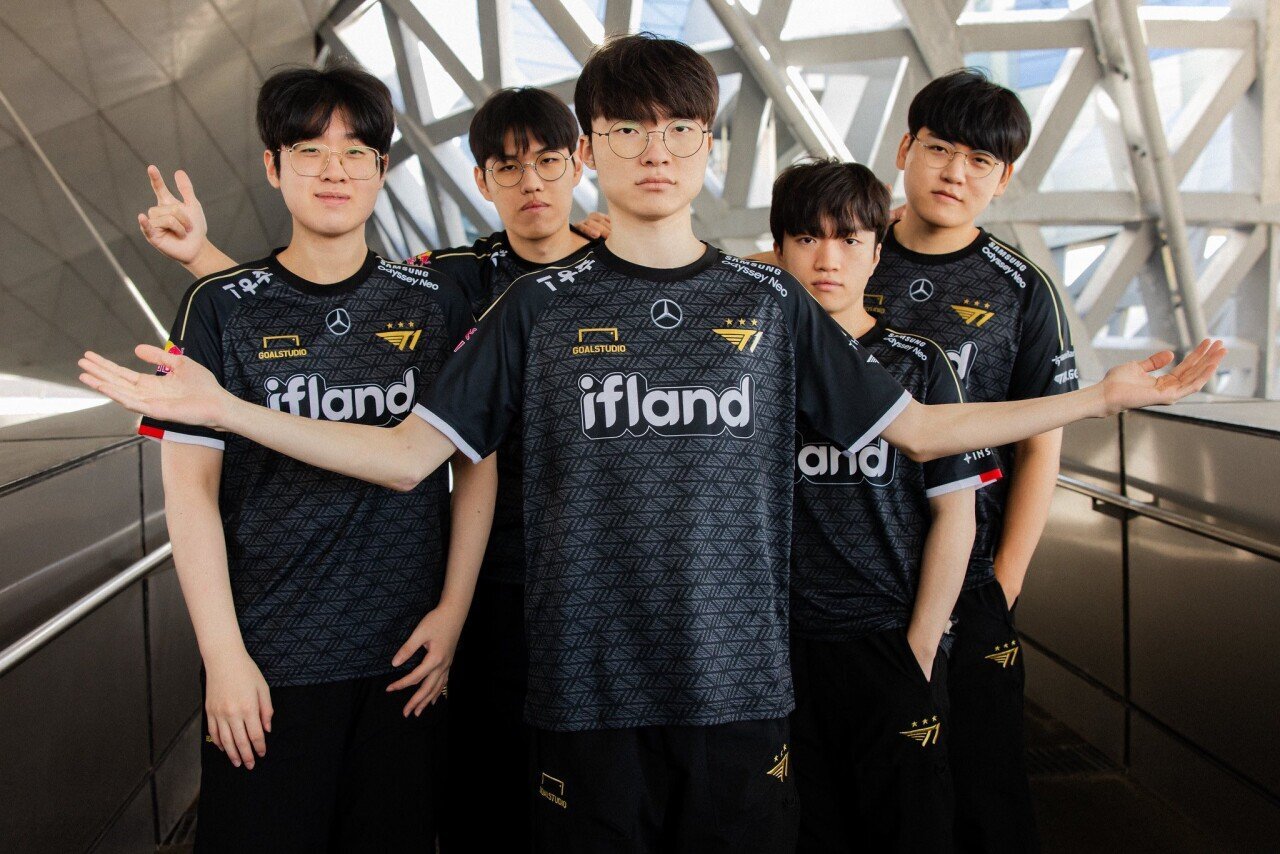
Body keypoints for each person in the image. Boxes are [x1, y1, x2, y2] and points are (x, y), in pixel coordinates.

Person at [83, 34, 1223, 854]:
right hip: (583, 687)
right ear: (593, 148)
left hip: (740, 686)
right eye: (627, 130)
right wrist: (226, 407)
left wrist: (1094, 398)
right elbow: (407, 455)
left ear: (708, 146)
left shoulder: (771, 305)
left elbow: (921, 430)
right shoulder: (533, 308)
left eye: (679, 129)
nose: (655, 150)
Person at [139, 86, 605, 852]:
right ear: (272, 166)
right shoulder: (214, 306)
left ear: (382, 169)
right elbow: (189, 492)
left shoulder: (433, 301)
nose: (335, 170)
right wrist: (223, 657)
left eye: (356, 152)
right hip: (271, 660)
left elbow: (474, 460)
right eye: (310, 151)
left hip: (405, 660)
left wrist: (450, 616)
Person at [871, 68, 1076, 852]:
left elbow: (1042, 441)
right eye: (940, 149)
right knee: (869, 789)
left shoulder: (1021, 289)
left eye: (980, 161)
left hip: (972, 575)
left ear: (1004, 177)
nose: (955, 173)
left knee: (984, 792)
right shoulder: (847, 252)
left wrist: (1006, 580)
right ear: (905, 149)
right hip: (854, 573)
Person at [769, 158, 998, 852]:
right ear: (777, 250)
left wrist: (921, 646)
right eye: (806, 238)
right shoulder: (754, 363)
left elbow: (956, 515)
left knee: (910, 829)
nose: (827, 259)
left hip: (889, 640)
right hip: (780, 649)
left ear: (876, 251)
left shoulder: (918, 363)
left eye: (849, 239)